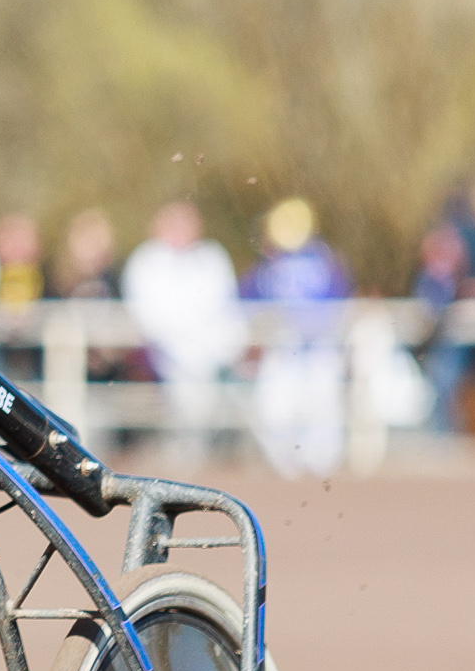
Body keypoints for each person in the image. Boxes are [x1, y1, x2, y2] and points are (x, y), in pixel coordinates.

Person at [241, 196, 352, 478]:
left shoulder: (323, 259)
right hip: (283, 346)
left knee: (323, 405)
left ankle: (320, 469)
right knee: (276, 408)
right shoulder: (270, 262)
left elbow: (340, 300)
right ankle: (288, 468)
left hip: (319, 345)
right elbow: (249, 300)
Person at [121, 199, 242, 446]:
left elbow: (225, 309)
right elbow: (147, 318)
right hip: (166, 358)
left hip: (213, 355)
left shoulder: (211, 257)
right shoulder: (145, 261)